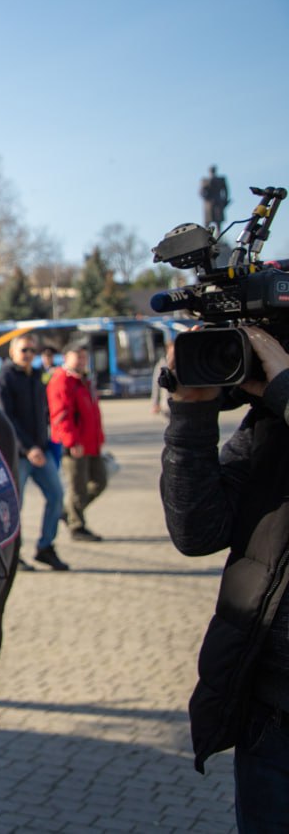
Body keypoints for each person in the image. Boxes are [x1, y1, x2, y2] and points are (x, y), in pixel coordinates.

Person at [160, 324, 289, 830]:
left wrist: (283, 392)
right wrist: (191, 411)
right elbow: (197, 530)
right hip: (272, 722)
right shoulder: (273, 426)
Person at [0, 334, 68, 571]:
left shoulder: (37, 376)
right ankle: (12, 554)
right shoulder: (5, 378)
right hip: (20, 455)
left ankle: (45, 548)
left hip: (42, 451)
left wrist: (48, 439)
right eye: (24, 350)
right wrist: (28, 447)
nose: (29, 355)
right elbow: (6, 418)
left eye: (32, 351)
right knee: (16, 506)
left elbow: (45, 411)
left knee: (56, 495)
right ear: (13, 352)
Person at [47, 342, 106, 542]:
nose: (82, 361)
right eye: (78, 356)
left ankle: (69, 512)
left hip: (92, 442)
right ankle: (77, 526)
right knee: (77, 488)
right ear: (66, 358)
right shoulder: (62, 380)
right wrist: (72, 442)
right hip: (75, 445)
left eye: (84, 357)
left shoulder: (84, 379)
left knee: (99, 482)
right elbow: (60, 416)